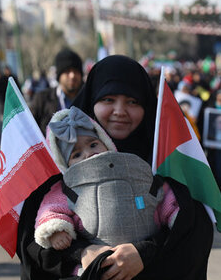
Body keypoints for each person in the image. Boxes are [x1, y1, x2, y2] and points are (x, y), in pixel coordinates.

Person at [16, 55, 213, 280]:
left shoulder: (165, 156)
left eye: (133, 102)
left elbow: (194, 232)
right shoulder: (59, 158)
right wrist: (81, 253)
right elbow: (33, 245)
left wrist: (145, 254)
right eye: (109, 100)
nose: (120, 112)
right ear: (92, 102)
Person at [35, 106, 178, 254]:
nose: (89, 153)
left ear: (106, 142)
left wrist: (174, 213)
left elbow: (160, 193)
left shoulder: (131, 169)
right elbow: (51, 208)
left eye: (93, 144)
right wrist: (56, 230)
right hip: (97, 254)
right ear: (64, 165)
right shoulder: (67, 189)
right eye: (76, 155)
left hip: (144, 250)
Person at [29, 48, 84, 135]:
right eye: (67, 71)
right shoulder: (41, 99)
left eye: (76, 71)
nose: (72, 75)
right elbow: (29, 129)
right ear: (59, 75)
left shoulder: (89, 98)